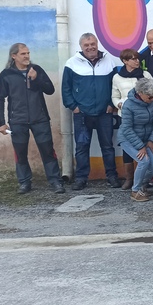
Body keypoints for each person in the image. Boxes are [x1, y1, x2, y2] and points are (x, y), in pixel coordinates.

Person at [0, 43, 64, 194]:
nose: (27, 56)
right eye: (23, 54)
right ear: (14, 56)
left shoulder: (36, 70)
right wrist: (0, 123)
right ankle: (24, 183)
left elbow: (50, 90)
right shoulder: (6, 75)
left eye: (28, 53)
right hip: (17, 121)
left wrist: (36, 78)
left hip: (40, 119)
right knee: (20, 153)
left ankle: (55, 181)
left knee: (47, 151)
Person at [62, 33, 120, 190]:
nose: (90, 47)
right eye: (86, 45)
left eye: (92, 44)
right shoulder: (72, 63)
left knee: (107, 147)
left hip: (104, 113)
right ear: (81, 46)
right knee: (82, 147)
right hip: (82, 114)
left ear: (97, 43)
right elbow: (66, 88)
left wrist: (111, 104)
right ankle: (81, 178)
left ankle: (112, 176)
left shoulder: (108, 61)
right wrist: (73, 106)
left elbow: (115, 85)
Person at [112, 48, 153, 190]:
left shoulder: (145, 75)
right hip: (125, 115)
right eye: (133, 59)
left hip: (143, 117)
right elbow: (115, 96)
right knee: (128, 148)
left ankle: (142, 178)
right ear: (125, 61)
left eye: (138, 58)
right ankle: (129, 178)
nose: (137, 61)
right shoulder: (117, 77)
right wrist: (118, 104)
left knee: (144, 145)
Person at [117, 76, 153, 202]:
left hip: (146, 138)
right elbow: (127, 129)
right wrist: (140, 146)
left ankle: (141, 184)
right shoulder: (128, 105)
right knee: (144, 161)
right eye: (150, 97)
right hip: (128, 138)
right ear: (140, 93)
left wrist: (152, 140)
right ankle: (135, 191)